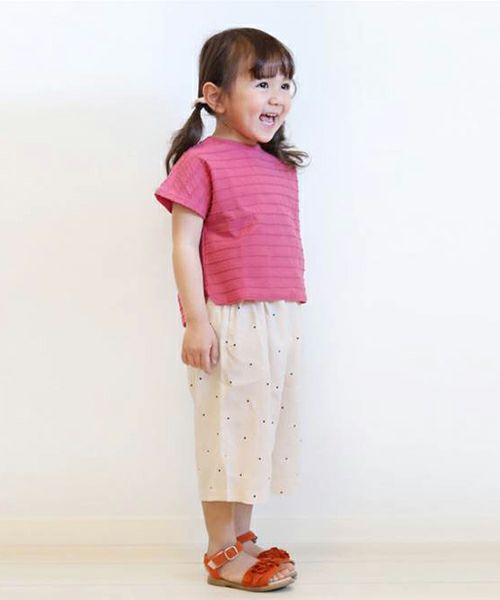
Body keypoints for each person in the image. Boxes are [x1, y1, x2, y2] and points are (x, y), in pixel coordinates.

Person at [154, 27, 310, 592]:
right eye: (261, 83)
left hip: (278, 316)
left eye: (285, 85)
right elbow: (183, 246)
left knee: (253, 433)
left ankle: (243, 537)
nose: (277, 97)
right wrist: (196, 320)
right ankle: (220, 549)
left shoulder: (279, 166)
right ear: (215, 96)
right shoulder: (202, 163)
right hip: (228, 317)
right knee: (225, 432)